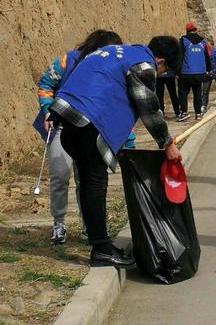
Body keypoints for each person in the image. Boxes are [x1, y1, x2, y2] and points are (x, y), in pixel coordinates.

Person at [48, 37, 182, 268]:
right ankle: (101, 249)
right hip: (89, 122)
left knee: (89, 183)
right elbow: (148, 105)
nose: (160, 75)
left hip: (67, 117)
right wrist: (166, 143)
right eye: (164, 70)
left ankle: (99, 242)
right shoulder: (144, 64)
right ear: (160, 61)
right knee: (94, 185)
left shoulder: (113, 51)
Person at [36, 30, 123, 245]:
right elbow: (46, 84)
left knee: (85, 179)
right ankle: (59, 223)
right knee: (59, 174)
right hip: (61, 126)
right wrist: (48, 109)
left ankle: (88, 224)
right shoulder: (67, 61)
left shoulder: (110, 68)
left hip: (90, 129)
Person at [177, 22, 211, 121]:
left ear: (187, 30)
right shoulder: (203, 41)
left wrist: (177, 71)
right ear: (195, 30)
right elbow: (207, 57)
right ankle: (198, 114)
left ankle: (184, 112)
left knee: (183, 93)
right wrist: (208, 70)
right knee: (197, 92)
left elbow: (180, 56)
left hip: (186, 72)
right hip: (200, 72)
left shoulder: (183, 40)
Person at [201, 40, 216, 114]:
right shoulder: (201, 54)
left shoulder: (215, 52)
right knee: (205, 90)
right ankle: (204, 105)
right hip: (207, 73)